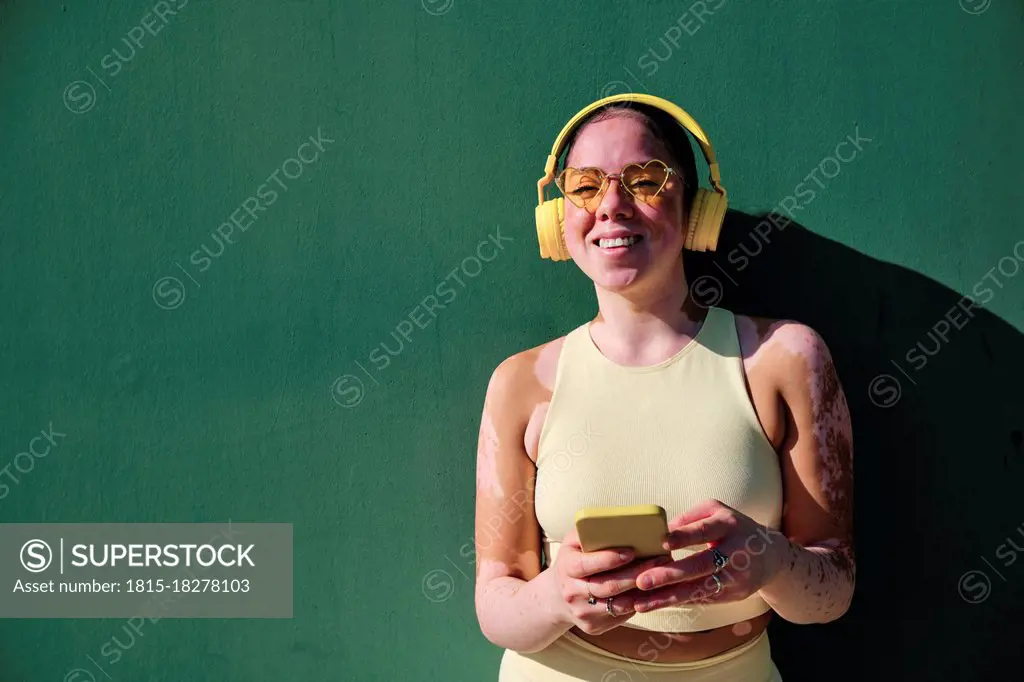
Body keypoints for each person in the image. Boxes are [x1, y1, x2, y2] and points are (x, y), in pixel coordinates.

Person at [472, 94, 855, 681]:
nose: (612, 205)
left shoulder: (783, 358)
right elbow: (495, 603)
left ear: (696, 209)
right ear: (558, 216)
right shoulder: (520, 383)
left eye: (645, 180)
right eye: (584, 185)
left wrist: (770, 562)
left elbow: (833, 588)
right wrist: (554, 596)